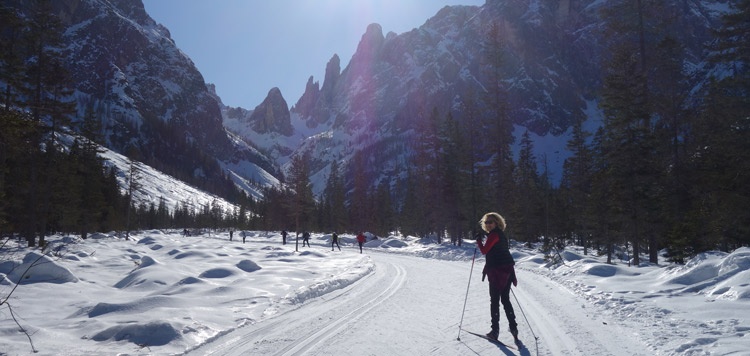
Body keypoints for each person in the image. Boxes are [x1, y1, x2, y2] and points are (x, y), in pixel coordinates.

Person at [476, 212, 518, 342]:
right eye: (486, 222)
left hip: (497, 272)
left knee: (495, 301)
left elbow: (484, 251)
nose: (488, 224)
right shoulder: (500, 234)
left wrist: (478, 240)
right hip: (507, 271)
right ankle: (513, 328)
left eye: (490, 222)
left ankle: (495, 331)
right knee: (505, 300)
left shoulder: (494, 235)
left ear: (497, 223)